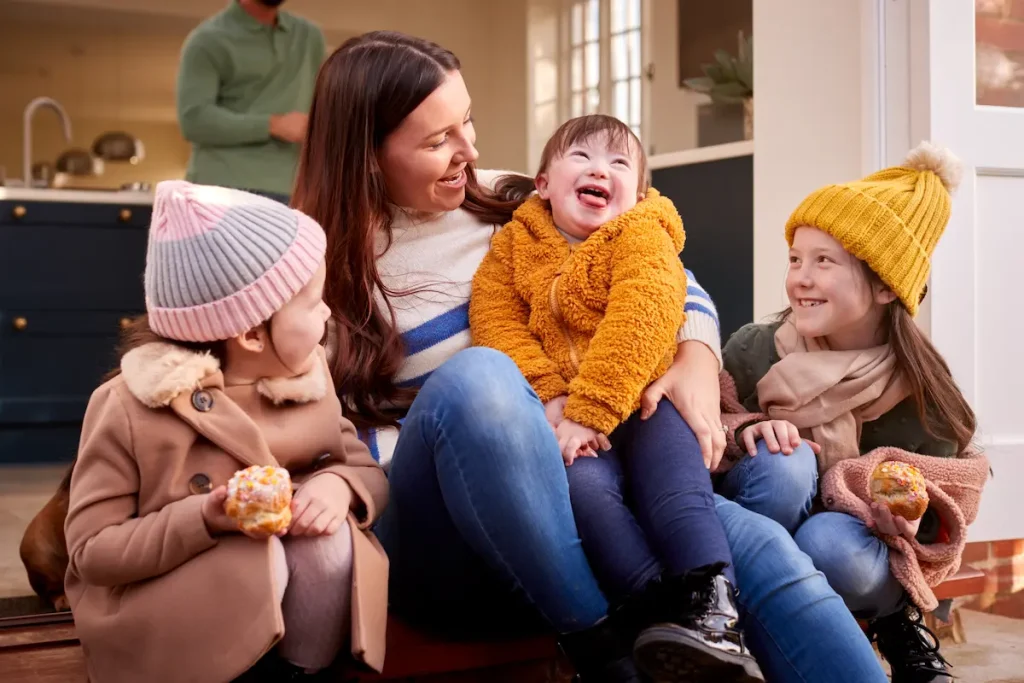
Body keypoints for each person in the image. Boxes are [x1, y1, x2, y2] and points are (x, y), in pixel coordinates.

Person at [292, 30, 888, 683]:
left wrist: (692, 355)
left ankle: (689, 617)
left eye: (467, 123)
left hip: (591, 481)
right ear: (368, 157)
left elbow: (660, 272)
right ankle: (612, 650)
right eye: (438, 142)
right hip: (449, 540)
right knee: (483, 379)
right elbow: (313, 426)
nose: (471, 152)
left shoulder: (519, 198)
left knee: (756, 546)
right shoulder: (309, 267)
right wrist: (525, 423)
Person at [470, 114, 759, 682]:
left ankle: (716, 615)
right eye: (580, 157)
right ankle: (656, 613)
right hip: (571, 413)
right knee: (584, 494)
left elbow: (643, 316)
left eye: (620, 163)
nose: (600, 169)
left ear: (640, 194)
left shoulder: (643, 235)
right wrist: (551, 399)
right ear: (544, 183)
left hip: (647, 400)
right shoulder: (512, 249)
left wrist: (589, 410)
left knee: (677, 495)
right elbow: (496, 322)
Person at [63, 181, 389, 683]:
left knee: (331, 545)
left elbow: (362, 467)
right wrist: (207, 516)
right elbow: (92, 552)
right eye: (312, 302)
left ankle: (306, 671)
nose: (327, 313)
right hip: (168, 601)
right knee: (254, 560)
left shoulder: (306, 378)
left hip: (285, 607)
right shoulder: (128, 406)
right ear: (251, 334)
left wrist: (339, 484)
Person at [717, 143, 989, 683]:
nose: (801, 277)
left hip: (848, 551)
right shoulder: (754, 350)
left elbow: (946, 501)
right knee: (783, 463)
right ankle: (733, 616)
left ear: (888, 284)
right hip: (761, 528)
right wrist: (748, 428)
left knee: (829, 545)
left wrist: (911, 520)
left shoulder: (921, 391)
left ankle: (896, 620)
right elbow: (705, 427)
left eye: (824, 261)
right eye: (795, 258)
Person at [176, 0, 325, 202]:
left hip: (295, 189)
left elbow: (326, 102)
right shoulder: (207, 40)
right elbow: (194, 120)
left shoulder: (310, 37)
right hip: (223, 188)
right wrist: (274, 125)